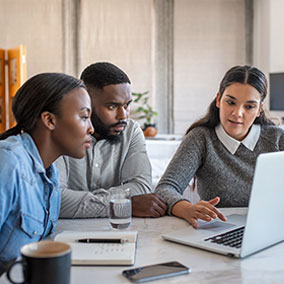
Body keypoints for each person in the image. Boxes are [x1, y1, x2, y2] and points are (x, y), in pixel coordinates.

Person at [155, 65, 284, 228]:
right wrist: (187, 209)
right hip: (219, 231)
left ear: (259, 109)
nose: (237, 113)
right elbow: (165, 188)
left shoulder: (277, 138)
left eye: (249, 106)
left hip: (272, 228)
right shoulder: (201, 138)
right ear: (218, 100)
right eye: (231, 102)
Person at [0, 73, 93, 275]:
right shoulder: (8, 162)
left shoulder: (50, 175)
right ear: (49, 120)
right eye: (84, 117)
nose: (91, 128)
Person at [56, 62, 167, 219]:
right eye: (112, 106)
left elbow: (142, 188)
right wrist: (124, 204)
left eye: (127, 105)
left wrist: (82, 202)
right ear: (86, 102)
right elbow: (57, 201)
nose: (123, 116)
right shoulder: (62, 131)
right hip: (64, 235)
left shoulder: (131, 131)